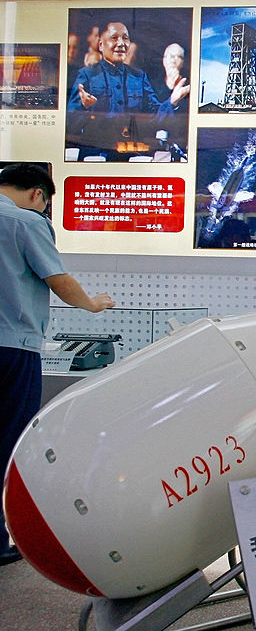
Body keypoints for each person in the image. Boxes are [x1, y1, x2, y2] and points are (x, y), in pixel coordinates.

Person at [0, 163, 115, 565]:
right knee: (8, 440)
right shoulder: (26, 222)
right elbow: (59, 280)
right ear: (38, 194)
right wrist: (93, 304)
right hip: (12, 347)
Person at [66, 21, 190, 161]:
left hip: (132, 158)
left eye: (125, 38)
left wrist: (172, 101)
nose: (121, 43)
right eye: (114, 38)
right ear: (100, 45)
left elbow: (155, 118)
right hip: (95, 158)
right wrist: (84, 108)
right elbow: (69, 125)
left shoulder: (139, 77)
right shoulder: (87, 75)